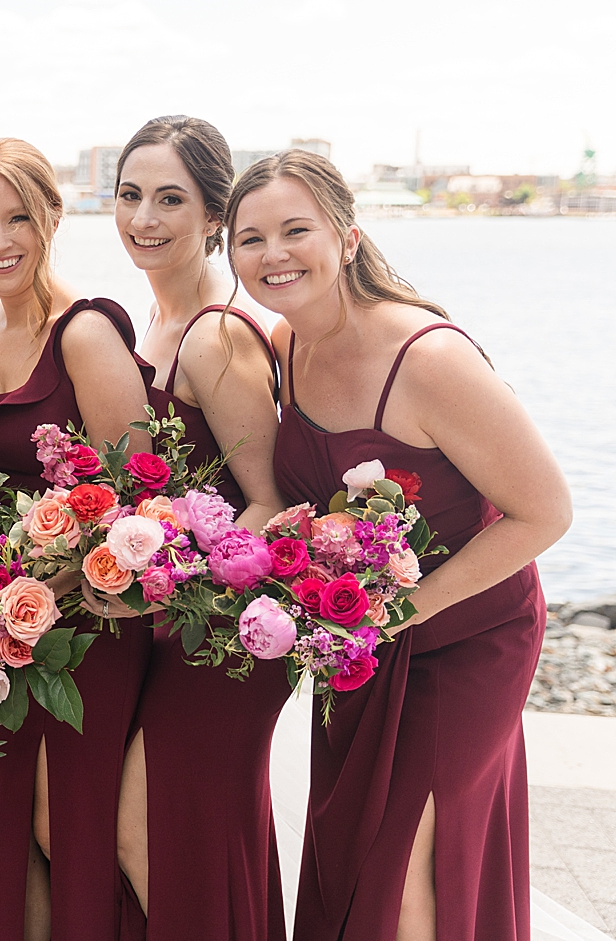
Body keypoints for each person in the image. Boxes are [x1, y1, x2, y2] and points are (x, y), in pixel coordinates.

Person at [231, 149, 569, 940]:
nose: (273, 254)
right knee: (355, 850)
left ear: (347, 238)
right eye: (250, 239)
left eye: (294, 230)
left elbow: (545, 512)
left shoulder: (429, 360)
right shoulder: (284, 344)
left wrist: (397, 613)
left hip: (467, 636)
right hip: (362, 640)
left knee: (408, 870)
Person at [0, 137, 153, 941]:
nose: (0, 242)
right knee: (6, 836)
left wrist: (54, 585)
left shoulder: (86, 334)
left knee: (61, 827)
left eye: (19, 219)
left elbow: (144, 497)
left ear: (54, 218)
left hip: (86, 631)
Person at [101, 115, 292, 940]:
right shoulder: (151, 327)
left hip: (218, 634)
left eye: (171, 199)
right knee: (174, 841)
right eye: (131, 194)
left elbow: (272, 499)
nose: (145, 217)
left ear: (215, 215)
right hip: (170, 625)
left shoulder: (217, 335)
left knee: (148, 833)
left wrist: (169, 581)